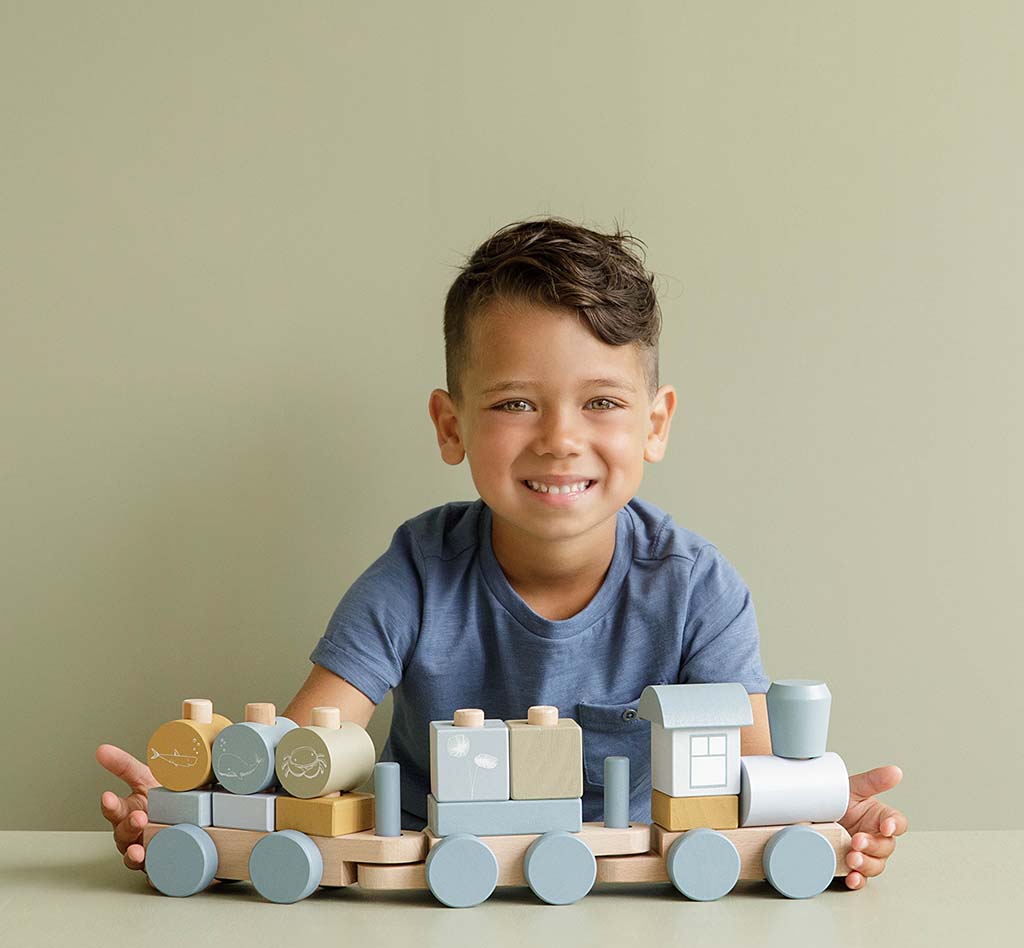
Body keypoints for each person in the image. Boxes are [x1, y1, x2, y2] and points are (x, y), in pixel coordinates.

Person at [96, 216, 907, 890]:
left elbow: (758, 779)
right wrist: (205, 800)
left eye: (601, 402)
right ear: (451, 427)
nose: (560, 439)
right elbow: (311, 746)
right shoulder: (416, 572)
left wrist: (827, 822)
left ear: (654, 424)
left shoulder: (697, 589)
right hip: (427, 880)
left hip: (630, 891)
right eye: (516, 402)